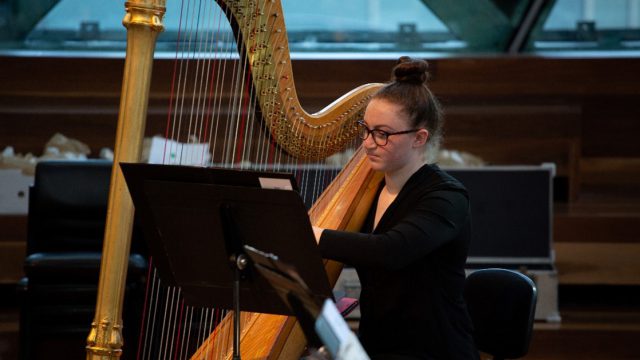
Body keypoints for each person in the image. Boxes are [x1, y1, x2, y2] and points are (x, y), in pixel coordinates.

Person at [313, 57, 479, 359]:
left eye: (383, 134)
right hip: (376, 344)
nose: (368, 143)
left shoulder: (446, 197)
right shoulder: (370, 190)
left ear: (419, 138)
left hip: (433, 350)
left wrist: (313, 235)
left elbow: (390, 250)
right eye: (366, 129)